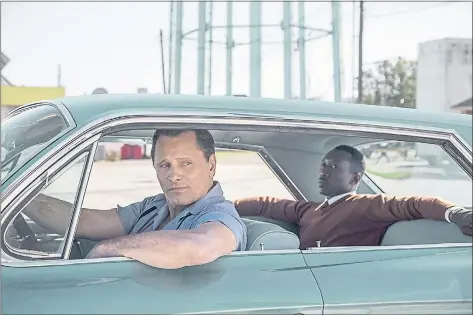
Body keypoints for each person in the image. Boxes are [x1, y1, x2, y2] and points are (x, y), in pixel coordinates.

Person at [24, 129, 247, 268]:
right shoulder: (154, 206)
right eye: (164, 165)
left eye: (185, 163)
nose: (174, 174)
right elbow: (84, 221)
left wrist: (107, 249)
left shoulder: (220, 215)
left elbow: (200, 246)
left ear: (211, 165)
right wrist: (25, 199)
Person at [233, 145, 472, 249]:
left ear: (355, 179)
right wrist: (225, 207)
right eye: (323, 165)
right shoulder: (308, 210)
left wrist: (457, 213)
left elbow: (416, 204)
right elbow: (267, 204)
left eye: (334, 167)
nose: (323, 172)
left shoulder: (367, 206)